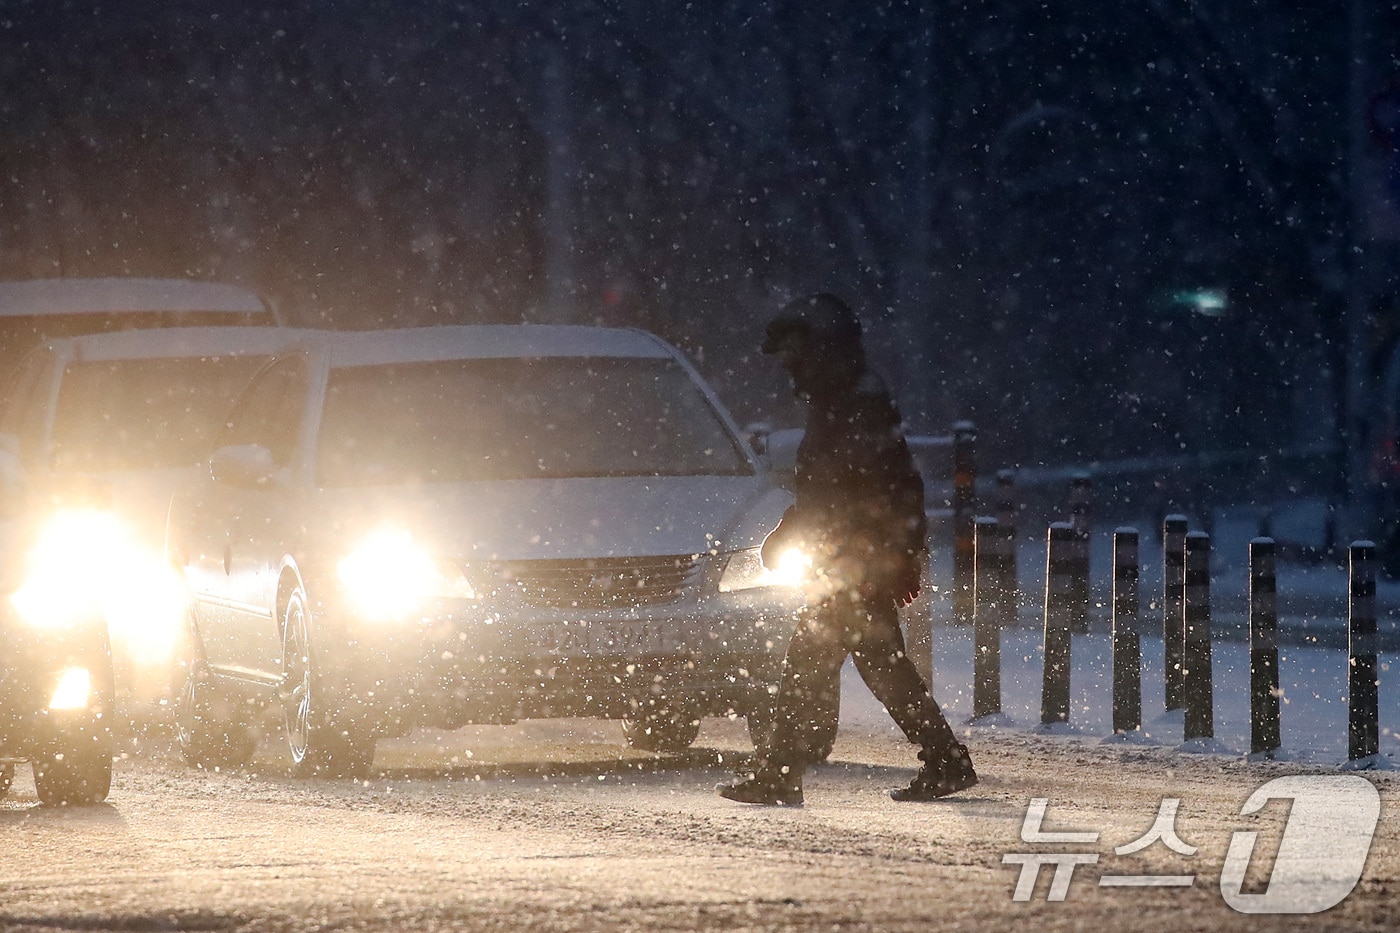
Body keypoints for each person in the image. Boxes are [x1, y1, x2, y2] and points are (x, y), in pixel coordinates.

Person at [718, 293, 976, 805]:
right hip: (853, 561)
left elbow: (877, 489)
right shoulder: (846, 401)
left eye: (797, 353)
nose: (790, 367)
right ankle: (943, 759)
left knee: (810, 664)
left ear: (822, 350)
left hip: (852, 564)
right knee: (880, 665)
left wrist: (895, 554)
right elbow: (849, 489)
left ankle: (780, 773)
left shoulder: (852, 406)